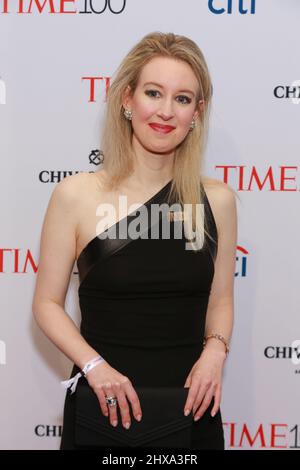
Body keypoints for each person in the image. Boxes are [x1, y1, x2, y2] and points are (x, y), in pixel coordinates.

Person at [32, 31, 237, 450]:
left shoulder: (217, 200)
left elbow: (220, 300)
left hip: (191, 405)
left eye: (182, 99)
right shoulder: (76, 195)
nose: (165, 111)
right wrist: (93, 366)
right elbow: (46, 304)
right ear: (127, 99)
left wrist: (215, 354)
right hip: (103, 404)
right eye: (153, 92)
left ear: (197, 112)